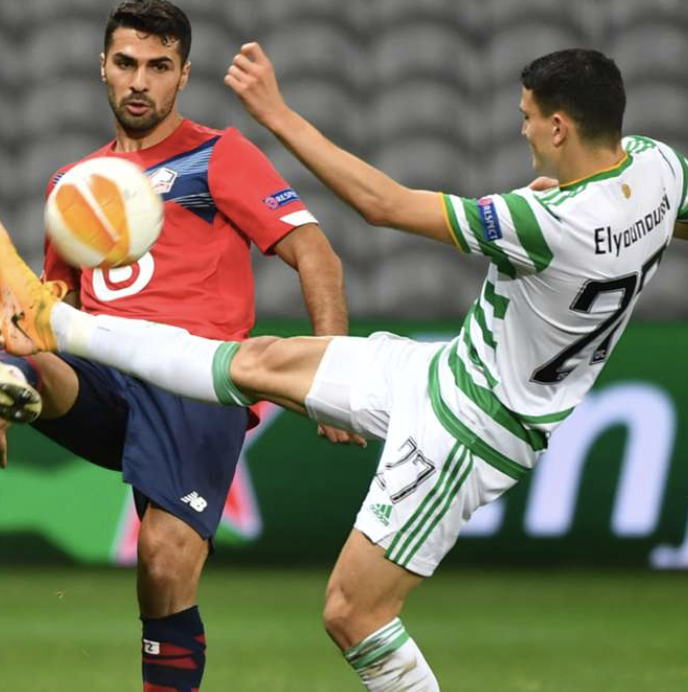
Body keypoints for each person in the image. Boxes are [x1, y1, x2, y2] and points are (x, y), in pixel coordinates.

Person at [1, 45, 687, 691]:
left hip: (468, 427)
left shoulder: (542, 221)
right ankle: (63, 328)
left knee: (352, 614)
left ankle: (60, 328)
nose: (523, 131)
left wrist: (277, 114)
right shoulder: (659, 169)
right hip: (439, 369)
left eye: (528, 119)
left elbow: (381, 205)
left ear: (560, 127)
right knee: (258, 360)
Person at [0, 7, 354, 692]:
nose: (140, 81)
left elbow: (317, 254)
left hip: (194, 381)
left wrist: (335, 373)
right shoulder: (72, 185)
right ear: (103, 67)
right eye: (127, 63)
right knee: (28, 350)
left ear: (183, 75)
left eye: (159, 67)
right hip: (106, 373)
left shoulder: (218, 155)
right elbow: (54, 310)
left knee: (162, 566)